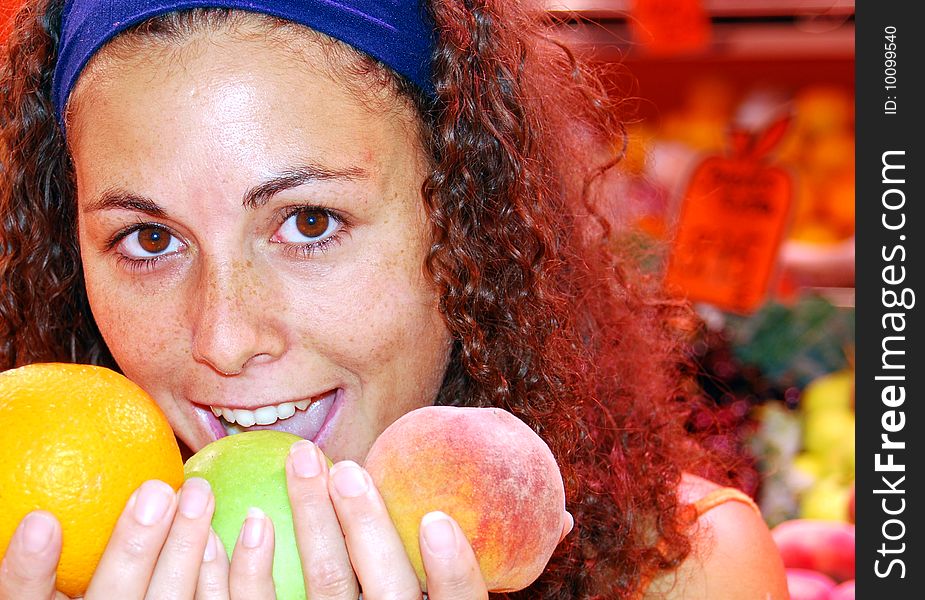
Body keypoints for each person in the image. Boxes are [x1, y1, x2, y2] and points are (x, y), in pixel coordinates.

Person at [0, 0, 789, 598]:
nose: (226, 339)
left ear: (465, 215)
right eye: (148, 240)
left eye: (309, 222)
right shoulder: (33, 550)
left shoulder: (683, 569)